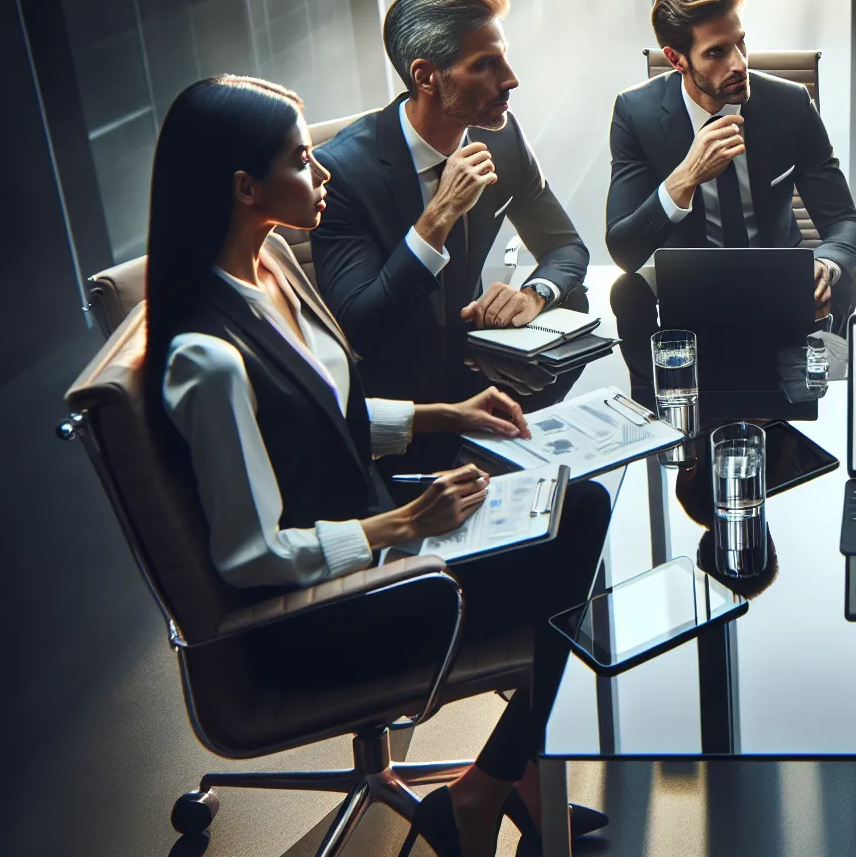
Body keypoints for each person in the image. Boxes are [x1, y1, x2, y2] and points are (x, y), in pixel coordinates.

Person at [147, 76, 608, 857]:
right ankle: (488, 791)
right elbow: (252, 556)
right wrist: (403, 524)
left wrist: (443, 415)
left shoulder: (269, 270)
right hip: (328, 613)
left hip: (378, 547)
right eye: (302, 160)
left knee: (583, 511)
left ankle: (507, 780)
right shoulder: (208, 360)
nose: (323, 171)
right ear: (245, 187)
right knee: (571, 583)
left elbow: (322, 417)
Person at [311, 0, 589, 406]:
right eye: (484, 64)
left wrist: (533, 295)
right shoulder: (341, 172)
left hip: (482, 370)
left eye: (504, 58)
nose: (510, 79)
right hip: (397, 404)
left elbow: (565, 247)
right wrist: (438, 216)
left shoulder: (501, 135)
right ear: (426, 77)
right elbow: (360, 327)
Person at [605, 0, 856, 318]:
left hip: (782, 293)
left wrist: (827, 263)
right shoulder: (636, 114)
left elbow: (844, 220)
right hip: (687, 300)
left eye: (740, 43)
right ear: (676, 59)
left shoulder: (791, 105)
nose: (740, 64)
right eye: (716, 52)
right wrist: (686, 177)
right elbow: (624, 251)